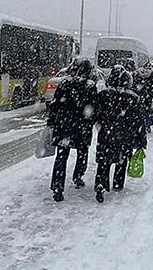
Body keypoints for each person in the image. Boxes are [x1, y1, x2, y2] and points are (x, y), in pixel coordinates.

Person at [94, 65, 147, 203]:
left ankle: (101, 184)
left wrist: (101, 124)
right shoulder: (133, 98)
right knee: (121, 160)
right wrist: (141, 140)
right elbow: (139, 121)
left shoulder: (104, 95)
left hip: (106, 134)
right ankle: (117, 184)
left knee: (103, 162)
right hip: (125, 135)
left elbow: (96, 114)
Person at [47, 58, 98, 202]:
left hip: (64, 126)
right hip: (82, 126)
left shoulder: (64, 83)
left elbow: (55, 104)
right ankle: (78, 176)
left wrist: (52, 121)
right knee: (82, 152)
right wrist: (90, 120)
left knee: (61, 156)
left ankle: (57, 186)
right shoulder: (90, 86)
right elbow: (93, 107)